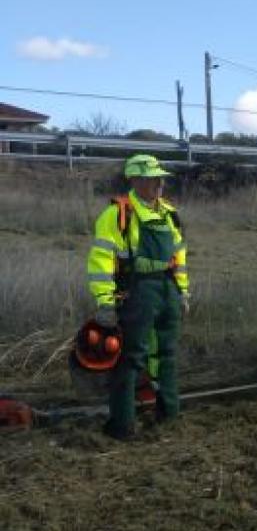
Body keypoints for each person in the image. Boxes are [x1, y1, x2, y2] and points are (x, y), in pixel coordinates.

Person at [86, 154, 189, 440]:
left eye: (160, 179)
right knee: (130, 358)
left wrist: (182, 291)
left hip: (167, 289)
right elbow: (101, 262)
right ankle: (123, 425)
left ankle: (169, 415)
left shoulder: (169, 213)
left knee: (166, 354)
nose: (158, 184)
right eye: (151, 179)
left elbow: (179, 256)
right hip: (137, 291)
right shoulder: (118, 214)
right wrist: (105, 302)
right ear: (134, 180)